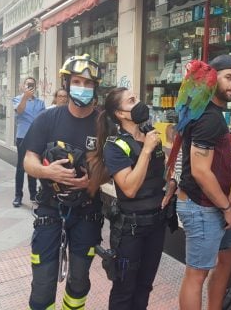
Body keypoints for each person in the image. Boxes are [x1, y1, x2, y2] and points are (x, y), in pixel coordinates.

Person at [23, 54, 104, 310]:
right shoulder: (47, 119)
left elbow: (112, 170)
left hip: (87, 212)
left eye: (89, 83)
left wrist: (90, 183)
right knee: (43, 282)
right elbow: (29, 160)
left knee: (80, 280)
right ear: (67, 84)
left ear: (96, 87)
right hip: (50, 210)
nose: (83, 87)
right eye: (78, 81)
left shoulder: (104, 123)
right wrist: (49, 173)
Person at [89, 87, 176, 310]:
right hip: (131, 230)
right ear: (120, 113)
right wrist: (146, 150)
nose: (138, 103)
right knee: (124, 290)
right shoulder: (115, 145)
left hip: (156, 225)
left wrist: (171, 183)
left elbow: (160, 172)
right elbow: (129, 188)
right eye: (131, 100)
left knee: (145, 286)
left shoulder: (150, 133)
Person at [177, 54, 231, 310]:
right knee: (197, 273)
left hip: (212, 204)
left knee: (228, 256)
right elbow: (201, 171)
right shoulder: (209, 118)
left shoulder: (210, 114)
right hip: (202, 206)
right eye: (228, 78)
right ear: (212, 79)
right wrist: (227, 208)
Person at [12, 77, 45, 207]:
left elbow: (43, 119)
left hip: (36, 137)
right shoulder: (17, 99)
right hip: (22, 137)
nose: (30, 86)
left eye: (32, 84)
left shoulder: (40, 103)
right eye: (28, 84)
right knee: (21, 167)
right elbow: (19, 111)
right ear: (23, 86)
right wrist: (25, 97)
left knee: (33, 165)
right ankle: (18, 196)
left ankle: (33, 194)